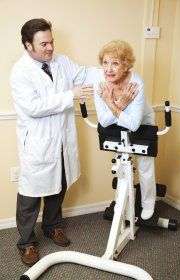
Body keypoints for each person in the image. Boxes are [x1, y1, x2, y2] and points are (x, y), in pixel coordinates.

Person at [10, 18, 93, 266]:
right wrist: (70, 95)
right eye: (43, 43)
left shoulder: (62, 62)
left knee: (59, 185)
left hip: (62, 140)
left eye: (51, 42)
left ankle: (52, 226)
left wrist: (113, 68)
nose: (49, 48)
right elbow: (34, 108)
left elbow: (84, 73)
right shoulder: (20, 72)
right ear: (28, 45)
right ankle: (26, 242)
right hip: (38, 142)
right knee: (31, 195)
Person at [90, 40, 156, 222]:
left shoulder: (136, 83)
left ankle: (148, 202)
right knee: (122, 161)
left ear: (125, 65)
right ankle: (123, 200)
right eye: (105, 63)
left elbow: (134, 124)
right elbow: (103, 121)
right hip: (119, 122)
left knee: (145, 164)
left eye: (115, 63)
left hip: (144, 122)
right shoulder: (100, 83)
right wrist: (119, 104)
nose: (108, 69)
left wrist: (111, 105)